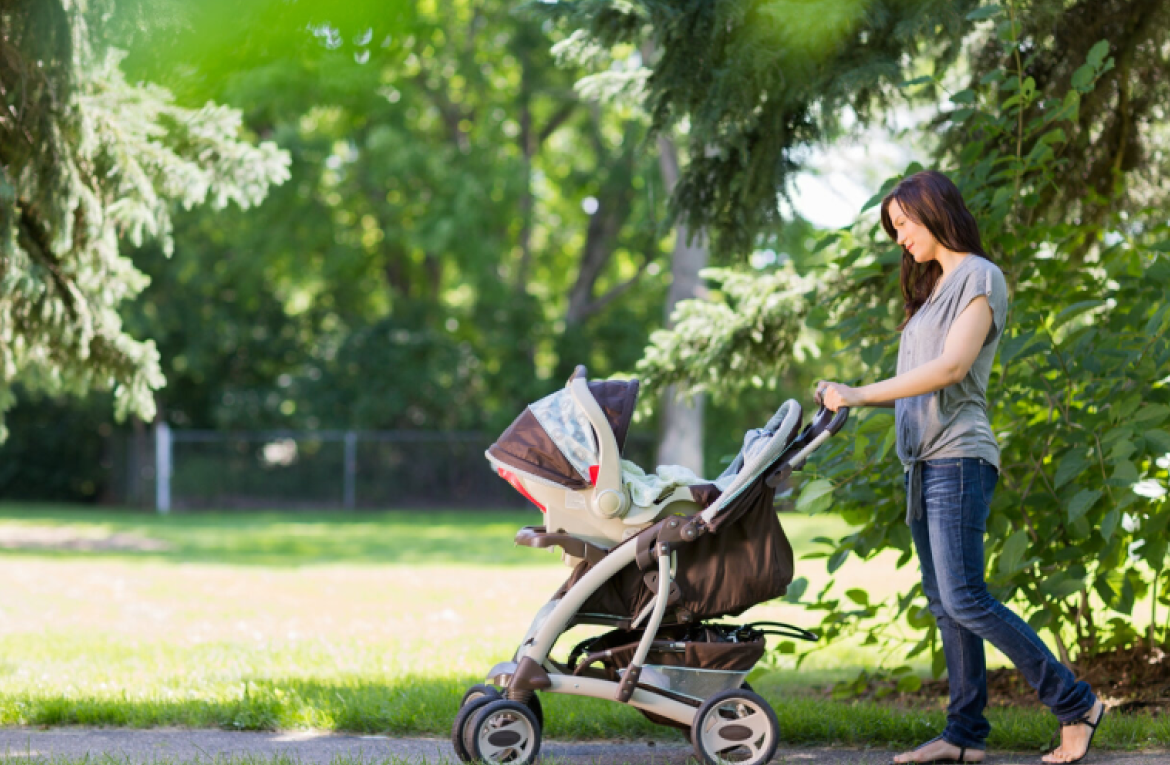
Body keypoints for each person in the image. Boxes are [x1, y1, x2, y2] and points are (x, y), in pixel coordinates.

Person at [814, 170, 1105, 765]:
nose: (900, 239)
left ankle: (1076, 705)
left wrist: (860, 392)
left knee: (967, 597)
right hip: (923, 465)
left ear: (934, 212)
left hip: (960, 457)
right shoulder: (931, 293)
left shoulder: (980, 276)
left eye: (903, 225)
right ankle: (963, 735)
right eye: (893, 229)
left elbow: (951, 369)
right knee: (947, 604)